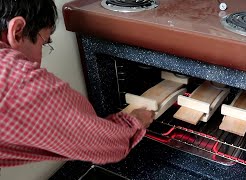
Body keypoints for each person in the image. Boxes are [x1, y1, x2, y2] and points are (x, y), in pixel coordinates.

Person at [0, 0, 154, 167]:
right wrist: (134, 121)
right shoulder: (16, 80)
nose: (39, 59)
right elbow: (104, 144)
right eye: (42, 43)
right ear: (17, 31)